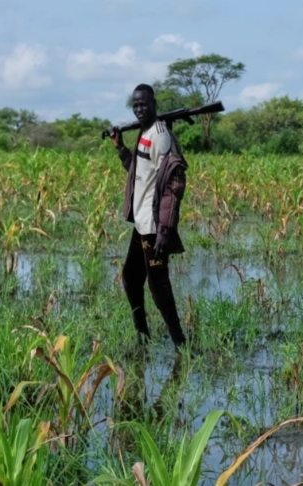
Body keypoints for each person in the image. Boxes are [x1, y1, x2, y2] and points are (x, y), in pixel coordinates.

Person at [108, 84, 187, 348]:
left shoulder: (161, 137)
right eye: (136, 105)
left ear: (154, 104)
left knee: (158, 286)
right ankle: (142, 337)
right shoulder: (145, 133)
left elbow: (173, 184)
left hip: (154, 227)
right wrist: (120, 148)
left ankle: (181, 345)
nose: (140, 109)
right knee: (131, 278)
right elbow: (138, 171)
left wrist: (165, 229)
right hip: (142, 223)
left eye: (144, 104)